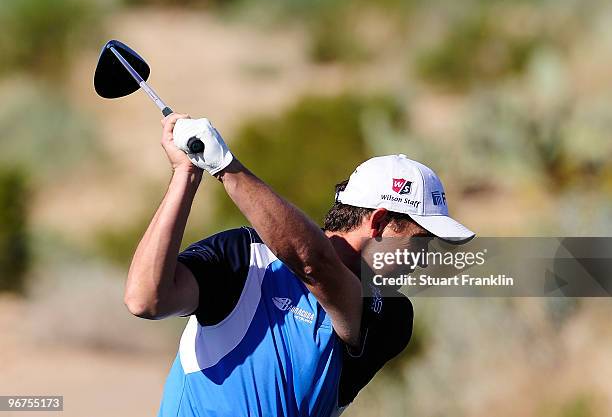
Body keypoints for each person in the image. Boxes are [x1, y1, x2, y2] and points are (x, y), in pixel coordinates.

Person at [124, 113, 475, 417]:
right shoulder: (245, 256)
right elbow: (144, 299)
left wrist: (227, 167)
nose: (426, 257)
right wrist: (186, 173)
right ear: (380, 222)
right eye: (421, 240)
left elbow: (315, 265)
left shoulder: (392, 315)